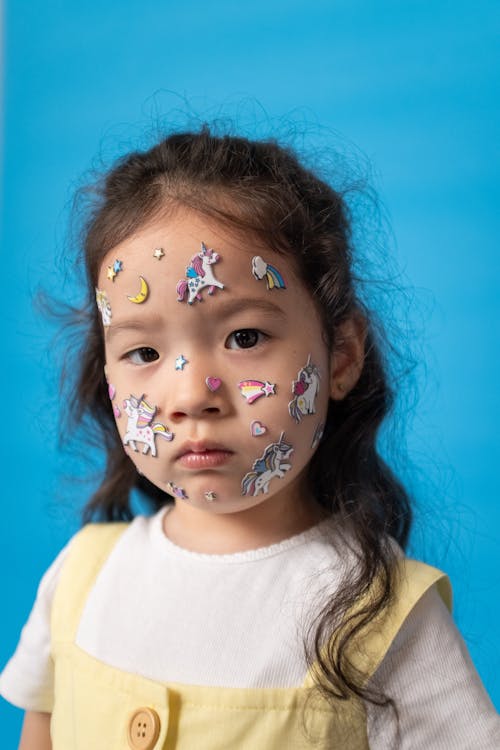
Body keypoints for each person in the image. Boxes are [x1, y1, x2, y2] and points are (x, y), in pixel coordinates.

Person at [1, 128, 498, 750]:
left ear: (341, 356)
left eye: (244, 338)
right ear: (106, 373)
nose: (190, 397)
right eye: (145, 350)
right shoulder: (79, 580)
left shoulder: (383, 618)